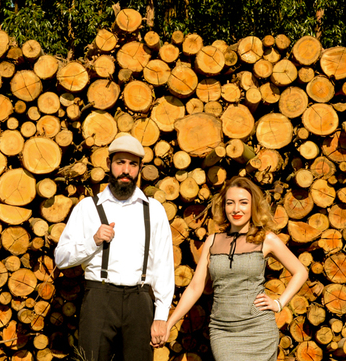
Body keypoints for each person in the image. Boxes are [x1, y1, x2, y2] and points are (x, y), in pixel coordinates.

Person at [156, 177, 308, 361]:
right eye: (230, 203)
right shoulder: (212, 241)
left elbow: (301, 272)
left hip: (258, 329)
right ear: (224, 206)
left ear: (253, 206)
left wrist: (279, 303)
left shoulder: (266, 239)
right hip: (223, 331)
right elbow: (196, 287)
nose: (236, 209)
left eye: (243, 202)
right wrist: (169, 323)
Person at [55, 134, 175, 361]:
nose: (126, 170)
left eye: (133, 164)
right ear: (109, 164)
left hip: (139, 301)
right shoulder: (88, 207)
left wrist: (161, 315)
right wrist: (93, 241)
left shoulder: (154, 210)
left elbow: (163, 265)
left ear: (140, 168)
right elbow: (61, 258)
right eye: (120, 162)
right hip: (99, 299)